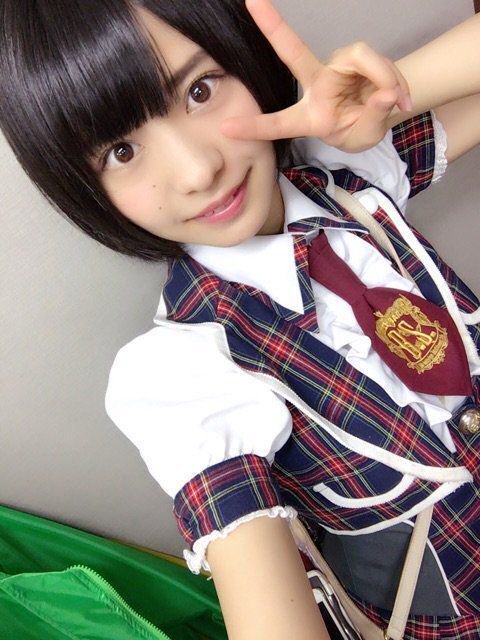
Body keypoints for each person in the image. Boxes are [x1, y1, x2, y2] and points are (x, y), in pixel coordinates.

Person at [0, 0, 479, 638]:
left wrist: (392, 93)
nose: (198, 170)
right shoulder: (188, 369)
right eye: (121, 151)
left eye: (200, 90)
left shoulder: (343, 176)